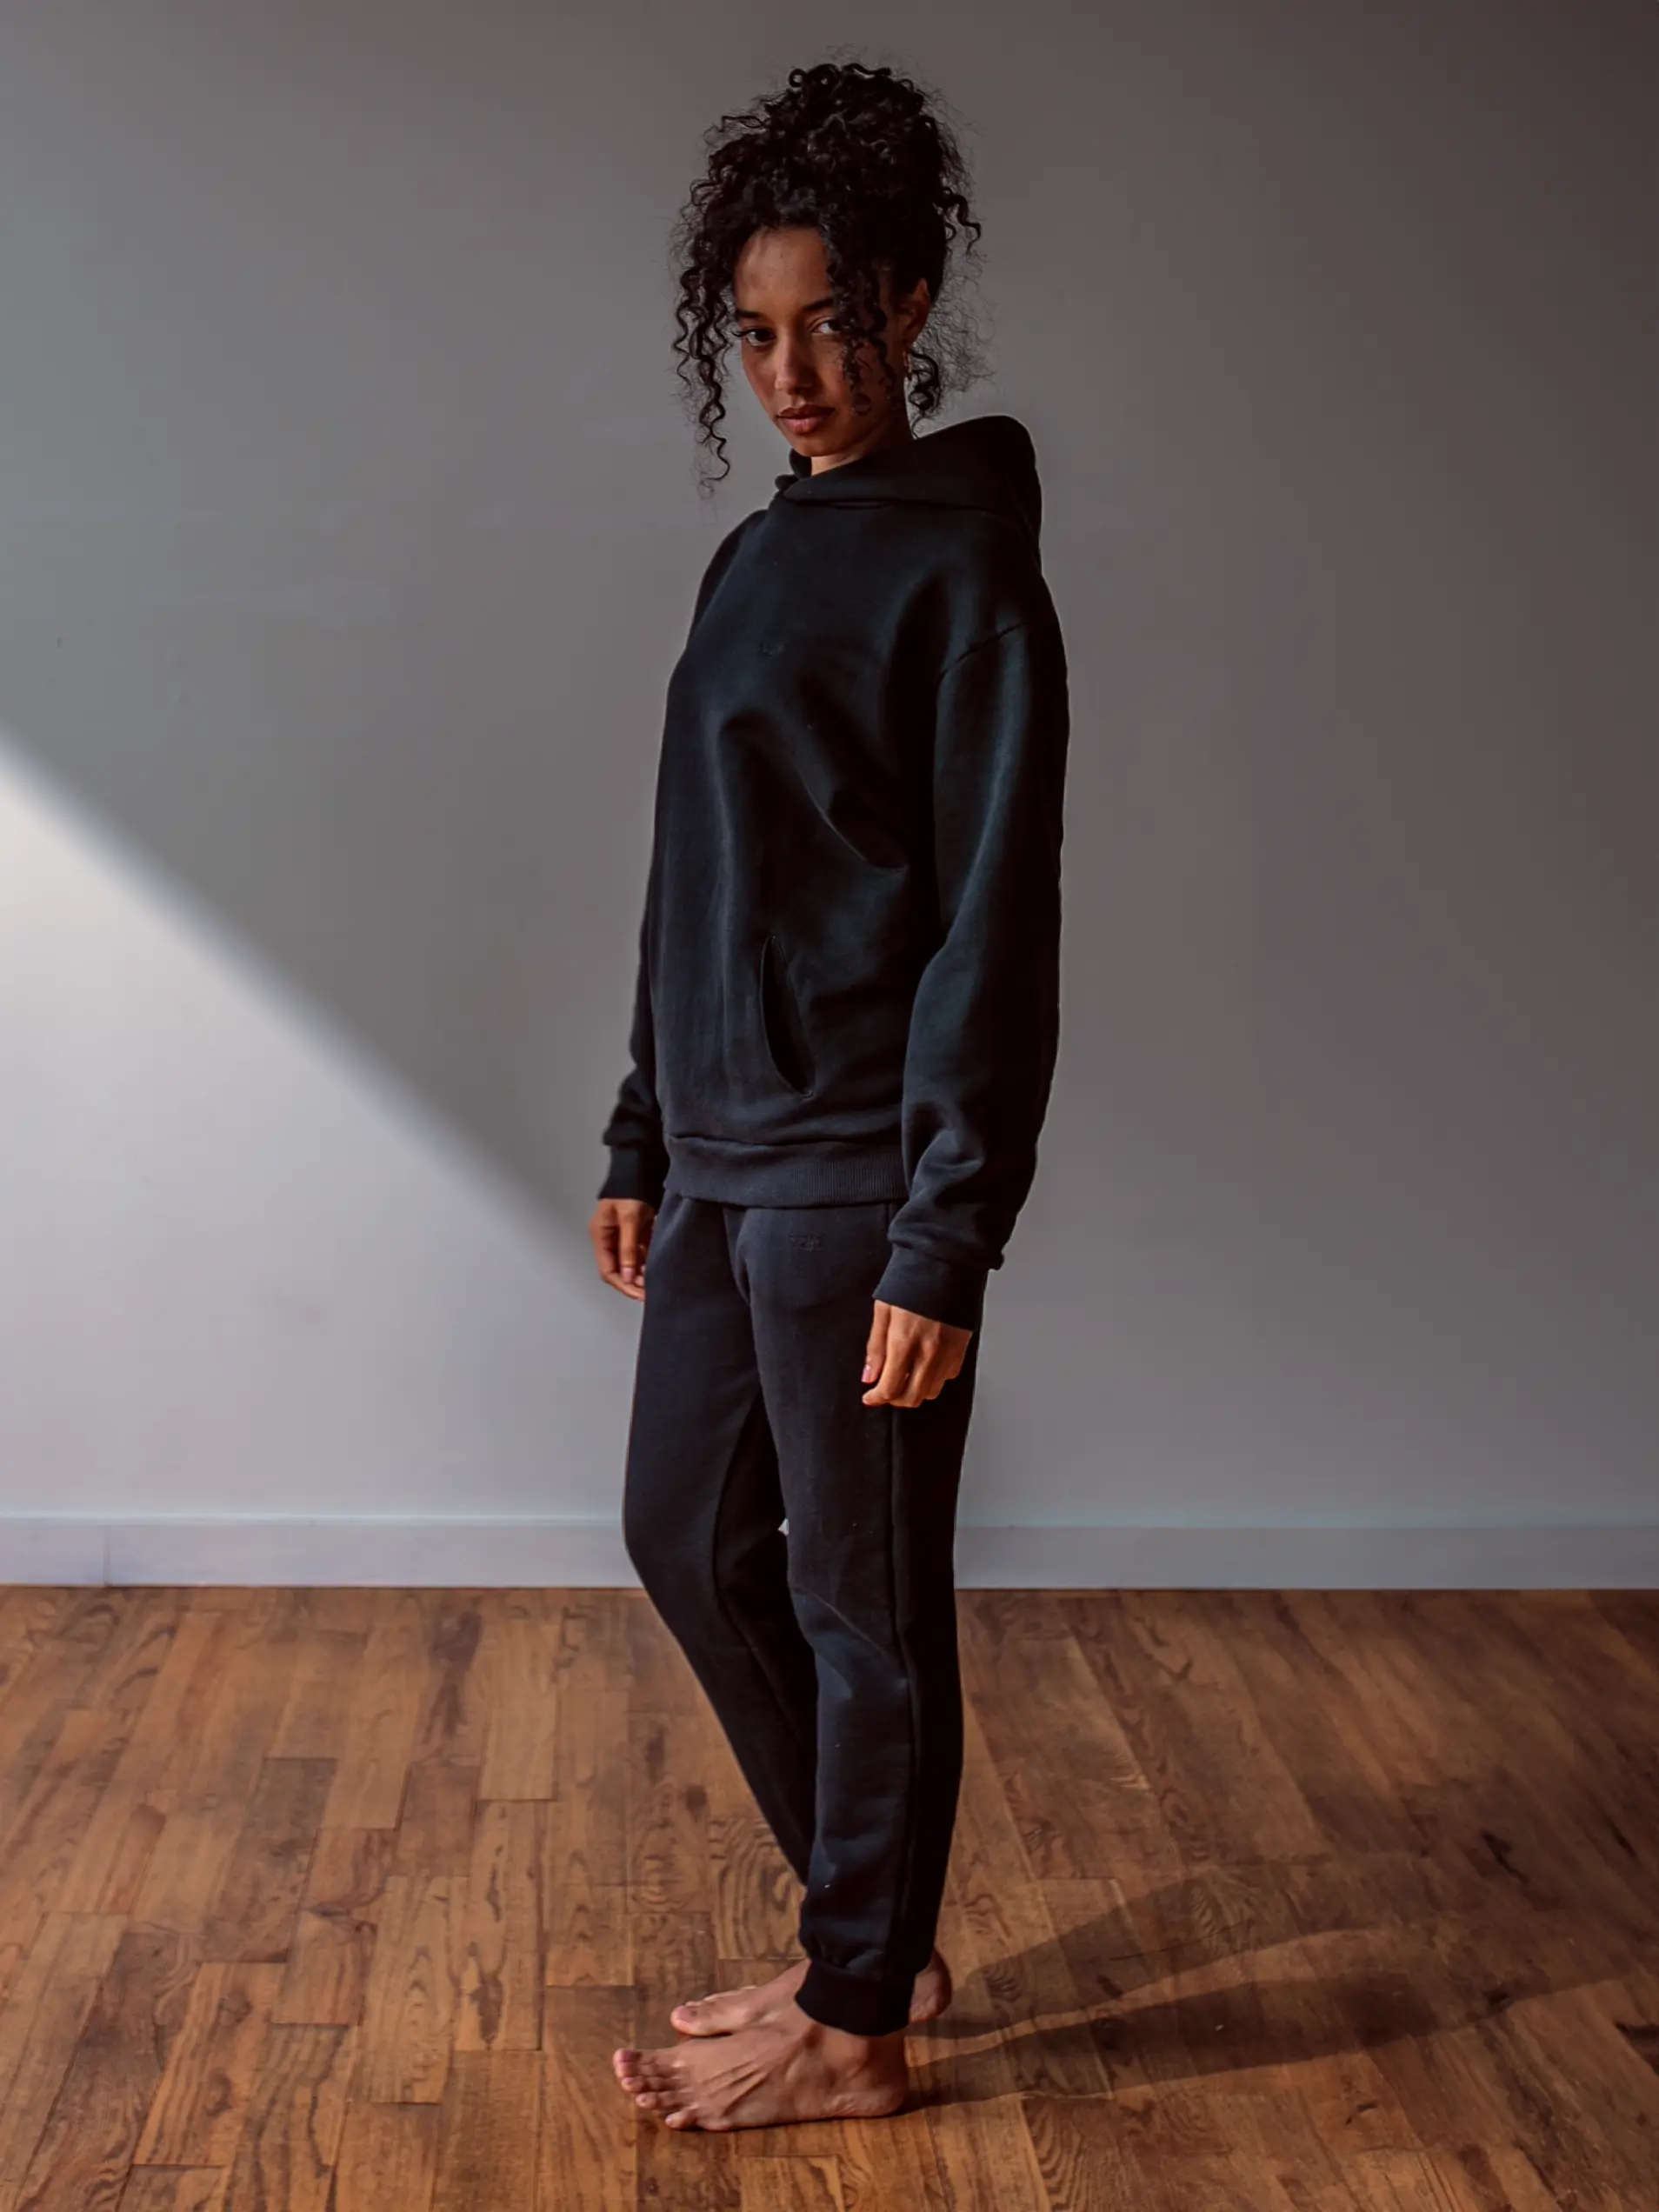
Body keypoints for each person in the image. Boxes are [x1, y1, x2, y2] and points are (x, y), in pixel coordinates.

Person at [588, 57, 1070, 2132]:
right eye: (755, 334)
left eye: (830, 326)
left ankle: (860, 2014)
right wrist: (638, 1124)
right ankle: (868, 1922)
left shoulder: (968, 579)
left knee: (865, 1609)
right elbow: (694, 866)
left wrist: (945, 1229)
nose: (791, 371)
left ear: (910, 298)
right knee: (689, 1543)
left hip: (860, 1174)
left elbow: (996, 924)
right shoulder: (754, 562)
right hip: (719, 1158)